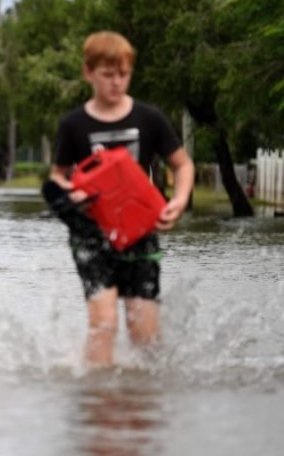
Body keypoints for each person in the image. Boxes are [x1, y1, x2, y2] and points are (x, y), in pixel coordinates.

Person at [46, 31, 194, 367]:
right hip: (89, 234)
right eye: (108, 75)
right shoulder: (73, 125)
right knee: (105, 323)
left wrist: (180, 200)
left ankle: (141, 402)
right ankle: (99, 401)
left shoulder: (149, 118)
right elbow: (57, 174)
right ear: (88, 72)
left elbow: (182, 164)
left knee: (144, 332)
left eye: (123, 75)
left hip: (139, 230)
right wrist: (71, 193)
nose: (116, 83)